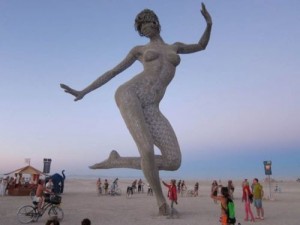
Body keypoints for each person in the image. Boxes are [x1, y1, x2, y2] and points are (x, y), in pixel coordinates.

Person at [60, 3, 212, 215]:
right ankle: (161, 204)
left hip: (152, 106)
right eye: (141, 30)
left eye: (146, 25)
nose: (144, 31)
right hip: (130, 94)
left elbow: (201, 45)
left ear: (155, 23)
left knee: (174, 160)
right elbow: (113, 71)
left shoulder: (175, 47)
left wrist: (209, 24)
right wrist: (84, 91)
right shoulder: (139, 50)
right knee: (147, 150)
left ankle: (117, 161)